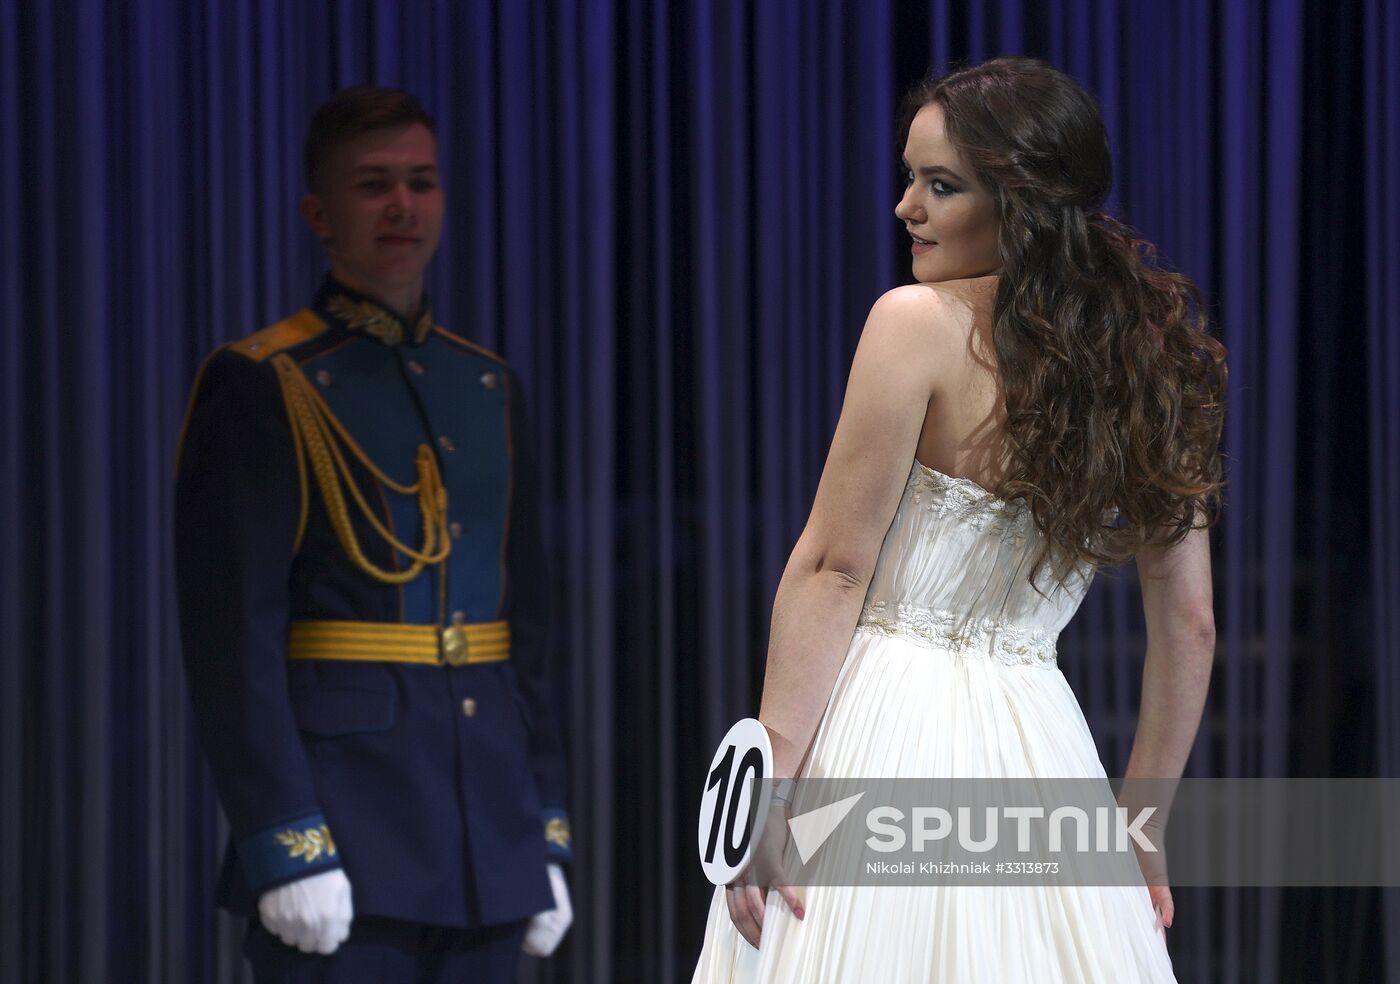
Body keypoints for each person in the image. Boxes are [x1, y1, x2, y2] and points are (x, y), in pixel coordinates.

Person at [691, 56, 1225, 982]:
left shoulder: (916, 324)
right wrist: (1141, 825)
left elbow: (833, 569)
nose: (906, 207)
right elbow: (1191, 622)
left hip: (882, 731)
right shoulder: (1152, 367)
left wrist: (768, 786)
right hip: (1040, 749)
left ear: (1021, 204)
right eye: (910, 176)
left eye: (941, 185)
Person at [175, 86, 574, 981]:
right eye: (373, 184)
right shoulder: (266, 382)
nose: (403, 204)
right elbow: (230, 640)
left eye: (421, 181)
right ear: (319, 212)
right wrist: (286, 841)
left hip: (491, 834)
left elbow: (529, 638)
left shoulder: (487, 386)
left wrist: (545, 826)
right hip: (346, 832)